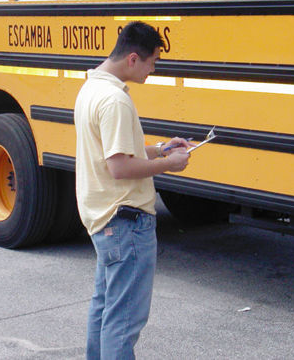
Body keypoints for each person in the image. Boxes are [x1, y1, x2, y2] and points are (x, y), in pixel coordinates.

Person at [74, 21, 194, 360]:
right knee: (124, 321)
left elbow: (116, 151)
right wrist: (169, 165)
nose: (153, 69)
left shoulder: (92, 88)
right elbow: (120, 167)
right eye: (152, 61)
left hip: (105, 220)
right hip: (126, 222)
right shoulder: (115, 100)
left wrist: (160, 148)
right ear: (132, 58)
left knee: (105, 310)